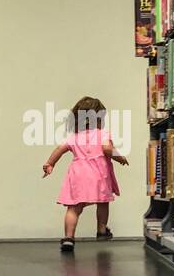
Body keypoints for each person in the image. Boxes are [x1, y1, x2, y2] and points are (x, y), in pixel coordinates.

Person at [41, 96, 129, 252]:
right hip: (98, 174)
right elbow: (107, 149)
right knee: (102, 202)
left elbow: (59, 149)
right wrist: (119, 157)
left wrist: (50, 163)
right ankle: (101, 230)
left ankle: (68, 237)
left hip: (78, 174)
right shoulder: (102, 134)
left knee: (73, 208)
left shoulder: (74, 137)